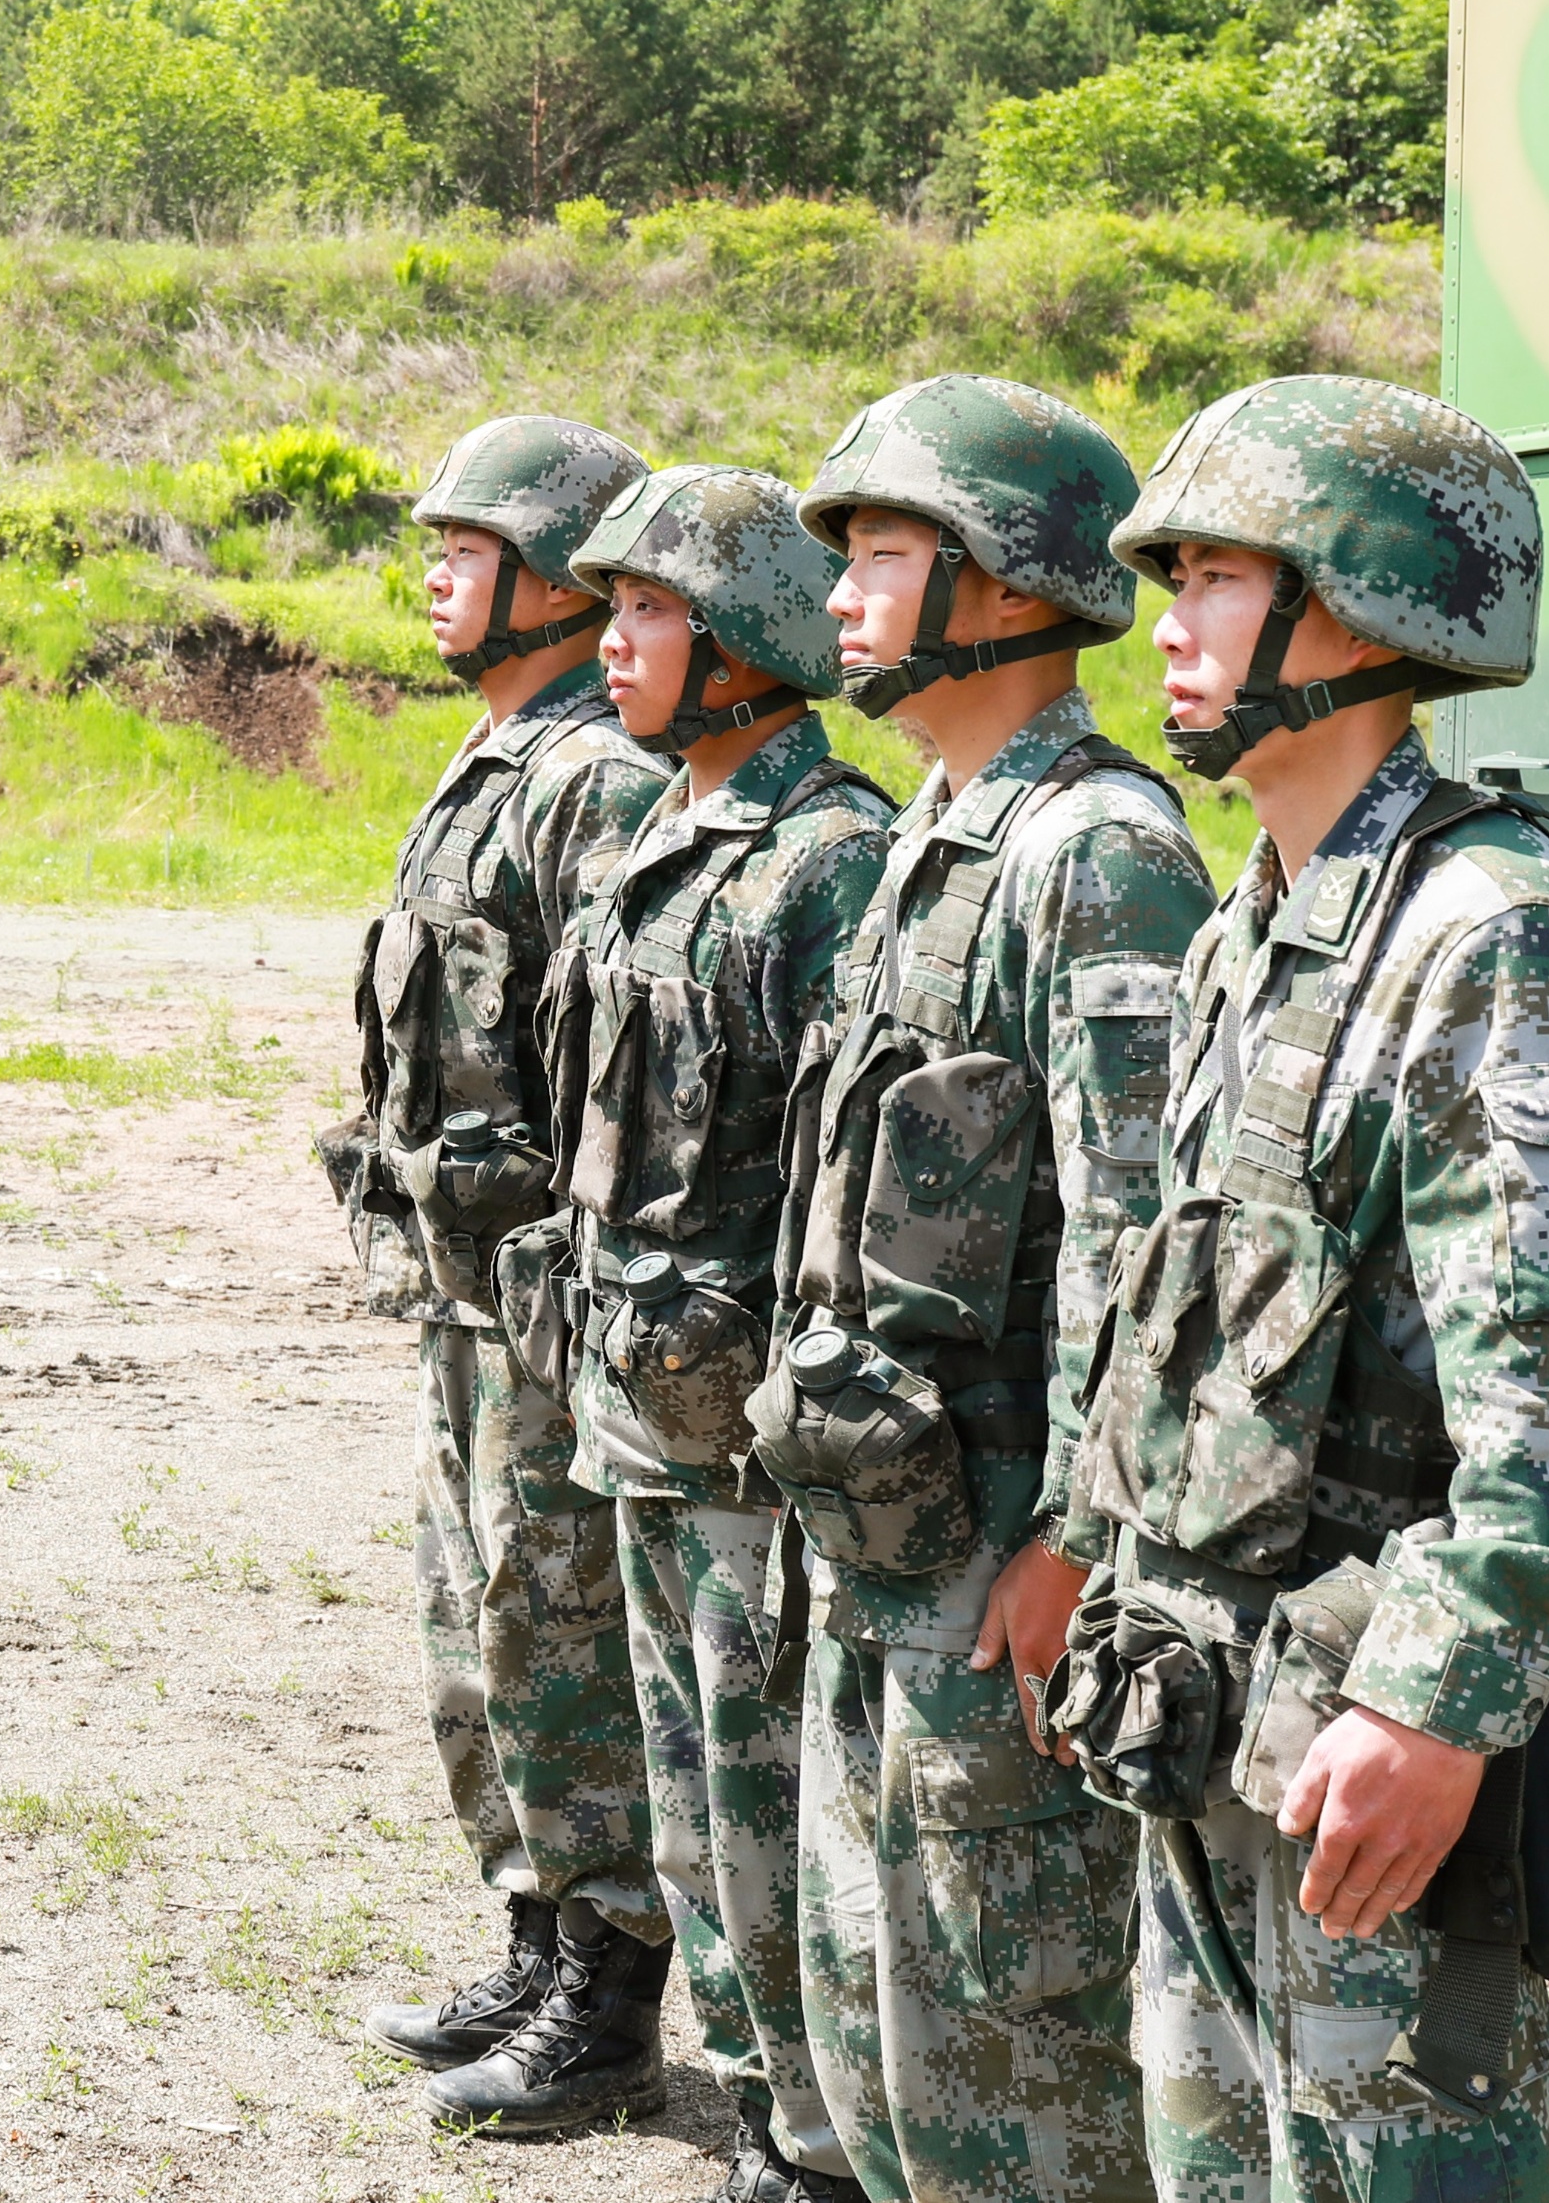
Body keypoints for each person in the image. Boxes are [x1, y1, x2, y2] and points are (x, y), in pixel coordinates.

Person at [1049, 374, 1549, 2203]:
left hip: (1354, 1746)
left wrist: (1439, 1711)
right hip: (1206, 1711)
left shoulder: (1489, 930)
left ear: (1360, 603)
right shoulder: (1257, 919)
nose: (1168, 619)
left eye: (1218, 576)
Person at [759, 374, 1213, 2203]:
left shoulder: (1094, 855)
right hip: (886, 1540)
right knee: (881, 2034)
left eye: (879, 553)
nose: (842, 598)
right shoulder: (937, 834)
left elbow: (1139, 1240)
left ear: (1008, 582)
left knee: (1016, 2066)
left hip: (997, 1564)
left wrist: (1079, 1545)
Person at [546, 466, 893, 2203]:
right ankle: (762, 2107)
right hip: (639, 1410)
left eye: (650, 613)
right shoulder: (651, 840)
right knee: (688, 1803)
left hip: (756, 1448)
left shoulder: (831, 860)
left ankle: (816, 2142)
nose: (611, 643)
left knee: (770, 1813)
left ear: (744, 643)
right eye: (611, 612)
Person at [330, 416, 678, 2133]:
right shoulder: (496, 761)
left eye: (468, 545)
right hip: (463, 1299)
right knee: (483, 1636)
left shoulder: (594, 777)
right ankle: (541, 1940)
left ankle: (609, 1999)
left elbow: (625, 1064)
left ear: (553, 580)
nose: (435, 569)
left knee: (565, 1639)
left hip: (545, 1304)